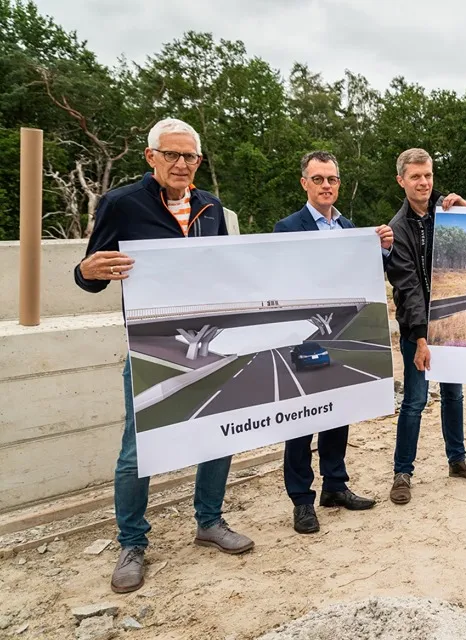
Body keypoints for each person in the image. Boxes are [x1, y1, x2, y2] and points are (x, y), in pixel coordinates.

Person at [74, 118, 254, 594]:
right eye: (171, 155)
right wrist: (85, 268)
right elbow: (92, 274)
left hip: (212, 339)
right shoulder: (120, 204)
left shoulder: (212, 207)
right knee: (138, 447)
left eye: (189, 156)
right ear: (150, 156)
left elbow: (224, 272)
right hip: (152, 344)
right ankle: (132, 543)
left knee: (217, 431)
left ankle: (209, 521)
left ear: (198, 161)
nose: (181, 164)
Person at [273, 150, 393, 534]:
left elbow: (374, 276)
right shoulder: (286, 228)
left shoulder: (350, 229)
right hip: (303, 335)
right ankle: (302, 500)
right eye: (319, 179)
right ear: (304, 182)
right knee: (301, 419)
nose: (327, 186)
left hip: (342, 334)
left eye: (333, 179)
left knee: (337, 411)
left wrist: (383, 249)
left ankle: (335, 486)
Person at [384, 148, 466, 505]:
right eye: (416, 177)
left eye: (428, 175)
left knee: (454, 394)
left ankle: (457, 460)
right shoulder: (396, 230)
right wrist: (420, 338)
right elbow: (408, 287)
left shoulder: (445, 214)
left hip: (449, 325)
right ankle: (403, 472)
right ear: (401, 181)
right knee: (414, 401)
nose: (424, 183)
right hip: (419, 331)